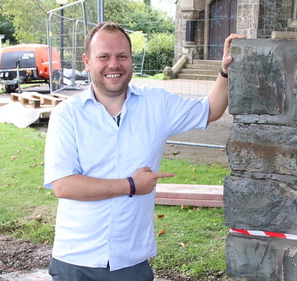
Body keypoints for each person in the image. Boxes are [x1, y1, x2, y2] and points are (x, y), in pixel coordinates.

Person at [44, 21, 245, 281]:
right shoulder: (67, 115)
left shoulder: (156, 105)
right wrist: (131, 185)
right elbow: (65, 186)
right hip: (75, 261)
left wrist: (224, 71)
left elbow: (210, 109)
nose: (113, 65)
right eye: (103, 56)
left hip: (130, 261)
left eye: (122, 56)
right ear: (87, 61)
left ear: (130, 59)